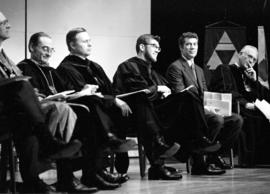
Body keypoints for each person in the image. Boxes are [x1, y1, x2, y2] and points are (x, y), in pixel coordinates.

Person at [56, 28, 183, 181]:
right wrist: (114, 100)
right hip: (90, 114)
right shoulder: (66, 68)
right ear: (72, 45)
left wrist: (115, 98)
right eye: (85, 41)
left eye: (90, 41)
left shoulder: (94, 66)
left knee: (142, 99)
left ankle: (158, 156)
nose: (90, 44)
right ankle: (156, 156)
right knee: (140, 101)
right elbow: (81, 95)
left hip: (111, 112)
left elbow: (111, 89)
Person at [113, 34, 225, 177]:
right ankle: (166, 163)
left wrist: (167, 93)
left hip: (154, 113)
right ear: (142, 47)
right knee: (176, 106)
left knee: (188, 97)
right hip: (135, 114)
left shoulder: (152, 71)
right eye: (154, 46)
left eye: (158, 48)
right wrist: (158, 90)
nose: (158, 50)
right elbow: (138, 93)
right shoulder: (128, 66)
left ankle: (199, 146)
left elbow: (166, 90)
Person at [0, 11, 81, 193]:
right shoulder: (25, 65)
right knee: (28, 95)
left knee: (69, 110)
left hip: (17, 113)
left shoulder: (6, 58)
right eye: (4, 22)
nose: (9, 25)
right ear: (32, 47)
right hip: (5, 112)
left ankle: (41, 179)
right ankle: (48, 146)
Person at [166, 32, 243, 171]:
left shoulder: (199, 70)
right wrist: (206, 108)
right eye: (188, 44)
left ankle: (214, 156)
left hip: (204, 110)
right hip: (189, 114)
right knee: (217, 119)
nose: (192, 47)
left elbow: (205, 94)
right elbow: (181, 95)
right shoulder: (175, 67)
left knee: (236, 119)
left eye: (195, 44)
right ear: (181, 47)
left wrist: (214, 106)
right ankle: (198, 160)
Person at [209, 45, 270, 166]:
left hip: (251, 108)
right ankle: (249, 160)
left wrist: (254, 81)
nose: (252, 61)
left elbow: (265, 96)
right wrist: (245, 104)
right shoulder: (225, 69)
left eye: (254, 60)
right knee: (255, 119)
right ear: (240, 54)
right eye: (250, 57)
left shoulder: (249, 74)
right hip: (234, 107)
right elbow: (225, 91)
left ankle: (263, 159)